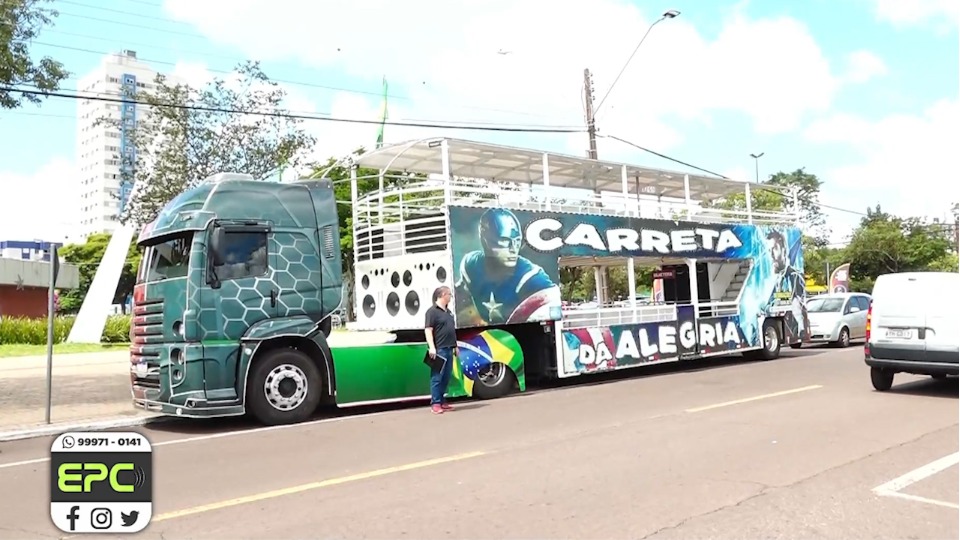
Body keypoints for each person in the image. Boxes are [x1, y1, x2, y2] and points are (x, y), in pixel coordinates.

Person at [425, 285, 457, 414]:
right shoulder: (432, 312)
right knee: (437, 376)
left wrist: (455, 346)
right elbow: (428, 330)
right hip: (439, 349)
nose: (450, 297)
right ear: (442, 295)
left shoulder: (448, 312)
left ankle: (442, 401)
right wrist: (432, 347)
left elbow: (451, 331)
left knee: (446, 376)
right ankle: (435, 403)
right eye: (449, 294)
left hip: (449, 348)